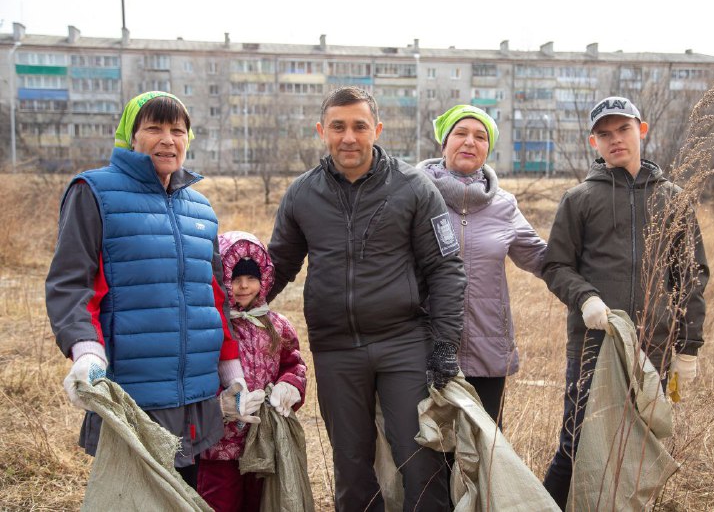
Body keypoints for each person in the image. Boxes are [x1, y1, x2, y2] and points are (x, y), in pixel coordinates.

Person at [46, 91, 262, 488]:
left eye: (178, 130)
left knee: (186, 492)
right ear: (130, 136)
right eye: (154, 128)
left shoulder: (200, 208)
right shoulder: (93, 192)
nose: (168, 139)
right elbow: (70, 282)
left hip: (195, 396)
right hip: (134, 390)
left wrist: (231, 372)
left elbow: (214, 296)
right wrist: (85, 352)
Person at [267, 86, 466, 511]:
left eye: (359, 126)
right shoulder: (303, 194)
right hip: (336, 348)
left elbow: (446, 267)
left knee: (420, 458)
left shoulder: (413, 187)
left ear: (376, 129)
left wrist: (446, 344)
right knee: (352, 466)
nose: (349, 137)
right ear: (323, 131)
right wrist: (237, 308)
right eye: (338, 127)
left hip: (404, 343)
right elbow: (278, 266)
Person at [540, 96, 710, 509]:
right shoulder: (579, 199)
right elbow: (556, 266)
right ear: (593, 142)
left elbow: (690, 275)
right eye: (604, 134)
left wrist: (687, 347)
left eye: (623, 129)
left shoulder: (674, 198)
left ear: (642, 130)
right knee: (576, 442)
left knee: (637, 448)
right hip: (594, 345)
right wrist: (586, 299)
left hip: (654, 345)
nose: (615, 139)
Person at [418, 104, 547, 428]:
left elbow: (542, 258)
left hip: (488, 347)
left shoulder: (504, 205)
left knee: (487, 453)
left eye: (480, 136)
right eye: (460, 133)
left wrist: (590, 273)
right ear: (443, 143)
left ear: (488, 148)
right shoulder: (413, 195)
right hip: (425, 346)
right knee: (429, 455)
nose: (469, 142)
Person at [197, 231, 307, 511]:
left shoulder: (277, 325)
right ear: (221, 279)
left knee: (262, 502)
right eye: (235, 279)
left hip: (264, 441)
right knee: (219, 503)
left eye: (251, 278)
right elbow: (196, 377)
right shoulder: (209, 326)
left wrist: (290, 385)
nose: (244, 286)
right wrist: (219, 406)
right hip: (218, 448)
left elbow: (292, 363)